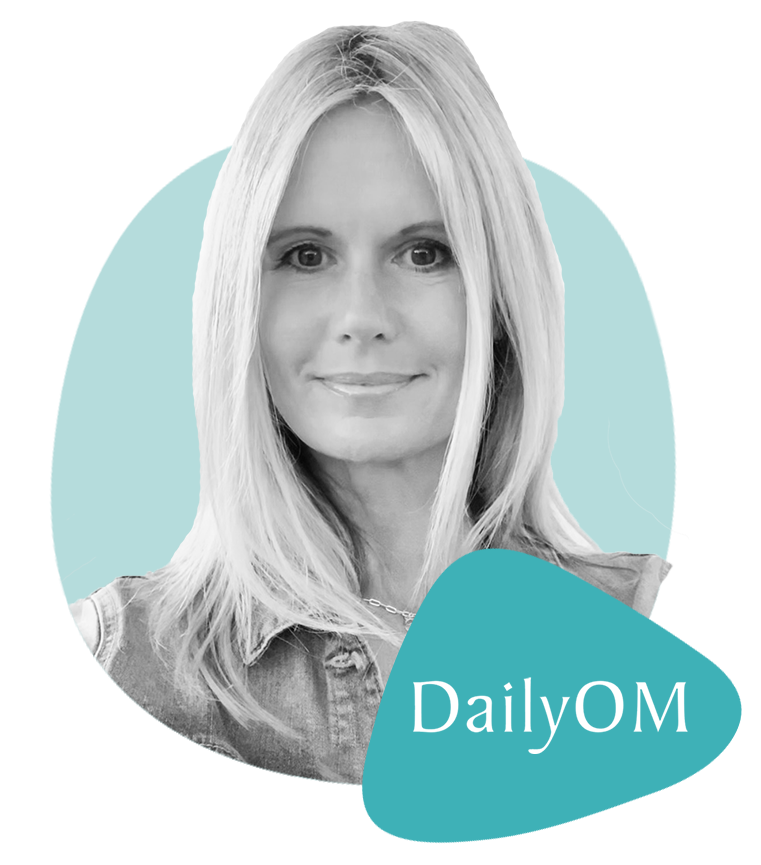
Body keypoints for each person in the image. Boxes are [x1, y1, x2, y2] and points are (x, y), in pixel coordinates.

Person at [68, 22, 673, 785]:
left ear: (500, 296)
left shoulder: (650, 625)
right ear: (239, 299)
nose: (361, 316)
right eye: (306, 256)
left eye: (423, 253)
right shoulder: (122, 658)